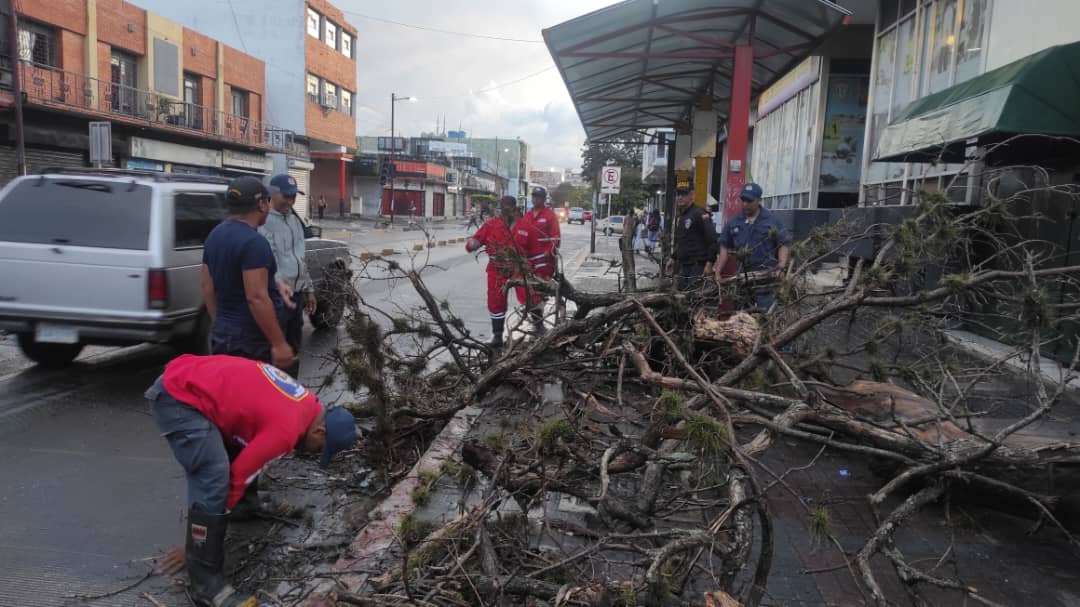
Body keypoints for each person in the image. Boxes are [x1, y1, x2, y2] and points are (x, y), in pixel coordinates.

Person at [148, 354, 356, 607]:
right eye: (320, 448)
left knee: (243, 440)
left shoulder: (307, 403)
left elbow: (252, 449)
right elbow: (237, 477)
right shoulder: (286, 430)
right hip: (179, 397)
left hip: (193, 378)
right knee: (214, 474)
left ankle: (246, 507)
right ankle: (205, 583)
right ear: (320, 431)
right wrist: (195, 545)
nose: (314, 453)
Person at [202, 176, 296, 371]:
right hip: (250, 341)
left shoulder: (215, 235)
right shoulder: (254, 242)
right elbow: (257, 297)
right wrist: (279, 344)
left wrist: (221, 324)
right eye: (268, 200)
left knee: (229, 394)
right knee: (254, 397)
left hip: (223, 336)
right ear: (261, 204)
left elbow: (208, 287)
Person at [259, 174, 316, 378]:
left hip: (297, 294)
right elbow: (269, 264)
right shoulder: (264, 223)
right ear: (273, 194)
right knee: (275, 351)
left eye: (293, 196)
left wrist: (309, 289)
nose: (290, 201)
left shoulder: (294, 220)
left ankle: (292, 394)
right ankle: (273, 396)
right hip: (278, 297)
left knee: (293, 348)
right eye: (286, 196)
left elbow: (302, 258)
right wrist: (279, 289)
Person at [714, 182, 793, 310]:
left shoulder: (772, 220)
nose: (745, 204)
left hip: (766, 279)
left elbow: (784, 244)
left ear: (759, 200)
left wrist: (781, 267)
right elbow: (724, 248)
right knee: (741, 318)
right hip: (742, 279)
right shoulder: (734, 222)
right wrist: (717, 272)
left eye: (749, 201)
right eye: (743, 200)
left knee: (765, 316)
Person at [466, 196, 524, 349]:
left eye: (508, 207)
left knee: (530, 294)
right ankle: (497, 335)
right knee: (495, 300)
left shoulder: (522, 225)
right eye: (502, 207)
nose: (504, 210)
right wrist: (473, 243)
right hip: (497, 269)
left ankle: (538, 327)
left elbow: (532, 244)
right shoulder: (491, 224)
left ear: (513, 208)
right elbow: (477, 239)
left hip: (519, 268)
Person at [513, 186, 561, 334]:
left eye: (538, 197)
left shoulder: (550, 216)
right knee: (526, 289)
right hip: (528, 262)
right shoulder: (527, 216)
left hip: (543, 263)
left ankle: (538, 324)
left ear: (543, 199)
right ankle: (536, 321)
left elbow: (556, 238)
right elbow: (519, 236)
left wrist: (549, 252)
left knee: (538, 291)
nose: (535, 199)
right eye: (534, 196)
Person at [670, 187, 718, 290]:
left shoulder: (700, 214)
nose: (680, 197)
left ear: (691, 195)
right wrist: (673, 258)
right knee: (682, 296)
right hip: (684, 265)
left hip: (697, 265)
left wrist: (709, 263)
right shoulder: (682, 216)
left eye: (683, 194)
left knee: (694, 297)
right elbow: (683, 241)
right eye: (678, 195)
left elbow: (713, 240)